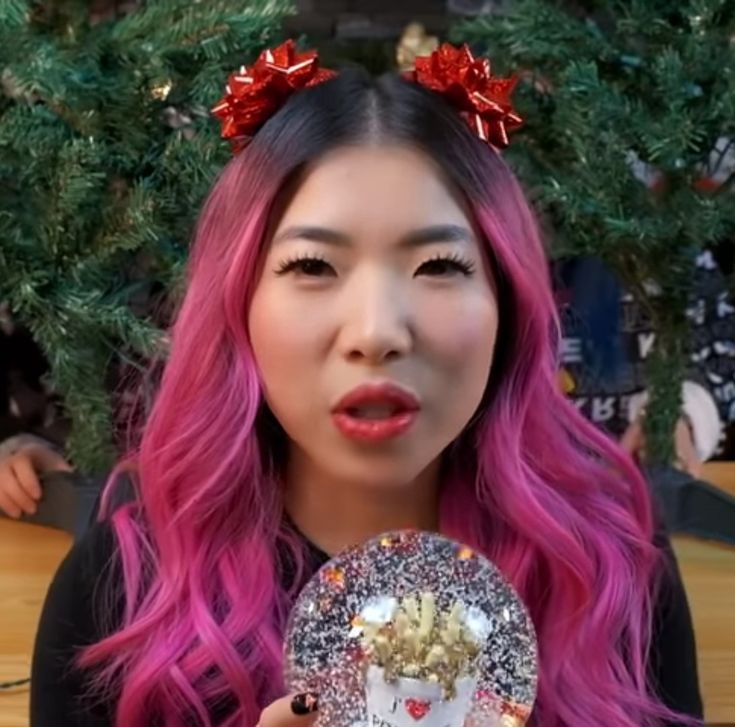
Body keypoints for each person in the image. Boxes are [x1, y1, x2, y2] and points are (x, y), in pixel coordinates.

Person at [30, 41, 703, 726]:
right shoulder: (123, 587)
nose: (377, 330)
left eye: (438, 264)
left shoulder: (610, 571)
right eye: (313, 266)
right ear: (237, 305)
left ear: (507, 302)